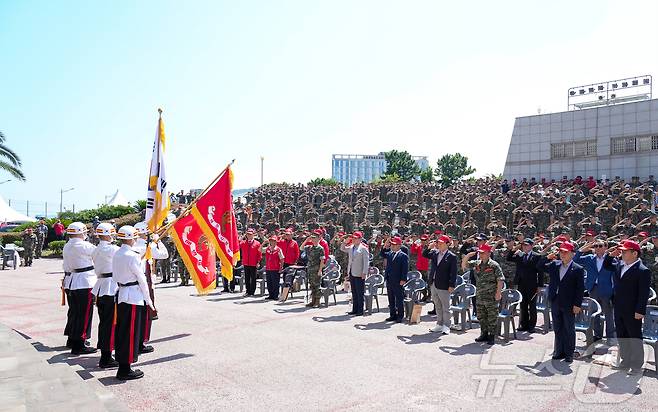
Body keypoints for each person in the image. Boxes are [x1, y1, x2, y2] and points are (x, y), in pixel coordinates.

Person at [112, 225, 156, 380]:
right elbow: (142, 279)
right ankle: (125, 369)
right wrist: (149, 300)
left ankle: (123, 365)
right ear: (131, 238)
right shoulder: (132, 256)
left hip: (122, 293)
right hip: (133, 297)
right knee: (130, 334)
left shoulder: (118, 253)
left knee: (123, 332)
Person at [603, 240, 651, 375]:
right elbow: (607, 265)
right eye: (622, 251)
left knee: (634, 336)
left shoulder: (642, 270)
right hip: (618, 307)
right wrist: (611, 254)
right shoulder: (620, 265)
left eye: (625, 251)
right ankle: (625, 361)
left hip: (633, 309)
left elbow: (643, 293)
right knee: (622, 336)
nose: (622, 253)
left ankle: (636, 365)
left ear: (634, 253)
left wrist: (640, 310)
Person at [543, 241, 584, 363]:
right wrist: (547, 257)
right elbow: (539, 265)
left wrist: (577, 304)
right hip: (556, 301)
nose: (563, 254)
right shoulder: (555, 265)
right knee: (558, 327)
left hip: (569, 303)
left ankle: (569, 353)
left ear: (572, 253)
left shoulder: (577, 269)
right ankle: (559, 351)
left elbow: (580, 289)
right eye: (561, 251)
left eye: (565, 252)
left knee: (569, 328)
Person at [62, 222, 97, 355]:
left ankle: (72, 338)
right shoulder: (85, 245)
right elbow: (101, 254)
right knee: (84, 314)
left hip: (70, 281)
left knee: (74, 312)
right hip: (84, 282)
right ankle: (80, 343)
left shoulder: (67, 245)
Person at [133, 222, 169, 353]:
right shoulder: (147, 246)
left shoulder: (133, 246)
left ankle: (137, 341)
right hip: (145, 284)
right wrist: (157, 240)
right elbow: (164, 254)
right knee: (146, 314)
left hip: (135, 285)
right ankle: (141, 341)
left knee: (138, 314)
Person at [574, 240, 616, 343]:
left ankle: (610, 336)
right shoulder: (589, 258)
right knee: (594, 313)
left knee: (608, 314)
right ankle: (597, 335)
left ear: (606, 247)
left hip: (606, 290)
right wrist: (582, 249)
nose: (597, 248)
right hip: (593, 288)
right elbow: (575, 260)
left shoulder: (610, 259)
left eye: (600, 246)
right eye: (595, 246)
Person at [462, 244, 504, 345]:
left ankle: (491, 336)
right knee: (481, 316)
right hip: (480, 295)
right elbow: (464, 266)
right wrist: (468, 256)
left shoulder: (494, 265)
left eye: (483, 253)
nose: (481, 255)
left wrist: (498, 293)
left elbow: (500, 280)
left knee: (492, 316)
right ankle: (484, 334)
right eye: (480, 253)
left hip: (491, 295)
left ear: (489, 253)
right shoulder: (477, 263)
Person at [91, 223, 119, 368]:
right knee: (110, 324)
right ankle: (106, 357)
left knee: (104, 323)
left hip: (101, 287)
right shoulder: (113, 249)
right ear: (108, 234)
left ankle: (105, 354)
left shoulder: (96, 250)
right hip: (110, 287)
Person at [506, 238, 544, 333]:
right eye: (523, 245)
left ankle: (531, 326)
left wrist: (540, 285)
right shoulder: (520, 255)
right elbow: (509, 258)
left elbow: (540, 272)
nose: (524, 247)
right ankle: (524, 324)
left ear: (531, 246)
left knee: (532, 306)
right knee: (523, 305)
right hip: (521, 283)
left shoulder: (537, 256)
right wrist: (514, 249)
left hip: (532, 284)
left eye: (527, 245)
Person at [423, 235, 457, 334]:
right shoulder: (435, 253)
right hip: (433, 283)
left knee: (446, 307)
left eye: (441, 243)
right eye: (438, 243)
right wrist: (429, 247)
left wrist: (452, 285)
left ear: (447, 244)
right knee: (437, 305)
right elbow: (425, 254)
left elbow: (453, 272)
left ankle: (447, 325)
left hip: (444, 284)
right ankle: (439, 324)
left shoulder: (451, 256)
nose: (439, 244)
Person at [340, 232, 370, 316]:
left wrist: (364, 272)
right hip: (352, 272)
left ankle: (360, 310)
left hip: (359, 273)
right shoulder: (351, 247)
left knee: (360, 293)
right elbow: (342, 248)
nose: (354, 239)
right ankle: (354, 309)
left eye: (356, 238)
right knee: (354, 292)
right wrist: (345, 241)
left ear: (360, 239)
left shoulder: (363, 248)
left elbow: (366, 262)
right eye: (353, 238)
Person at [380, 236, 408, 322]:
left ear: (399, 245)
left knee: (399, 299)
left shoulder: (403, 255)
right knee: (391, 298)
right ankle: (393, 314)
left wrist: (403, 279)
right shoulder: (390, 253)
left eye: (394, 245)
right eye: (392, 244)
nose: (392, 246)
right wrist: (385, 245)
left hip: (398, 280)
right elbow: (382, 254)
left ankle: (400, 316)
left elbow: (405, 268)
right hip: (390, 279)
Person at [304, 232, 326, 308]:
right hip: (310, 270)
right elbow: (301, 248)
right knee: (312, 286)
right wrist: (306, 240)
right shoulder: (310, 247)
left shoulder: (320, 248)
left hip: (316, 270)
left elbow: (322, 260)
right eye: (312, 238)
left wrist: (320, 270)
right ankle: (313, 301)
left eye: (314, 238)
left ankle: (317, 301)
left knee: (317, 286)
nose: (312, 240)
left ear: (318, 239)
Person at [239, 229, 262, 297]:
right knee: (247, 278)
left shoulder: (257, 243)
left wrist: (258, 262)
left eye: (250, 234)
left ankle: (252, 291)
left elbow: (259, 254)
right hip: (246, 263)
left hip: (253, 263)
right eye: (248, 234)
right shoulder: (243, 243)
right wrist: (241, 237)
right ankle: (247, 291)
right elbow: (237, 244)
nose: (249, 236)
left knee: (253, 278)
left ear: (253, 235)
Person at [264, 235, 284, 300]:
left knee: (275, 283)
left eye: (273, 241)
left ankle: (275, 295)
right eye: (271, 241)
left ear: (276, 242)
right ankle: (270, 295)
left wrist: (281, 268)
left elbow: (282, 259)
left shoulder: (278, 249)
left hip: (275, 268)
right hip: (268, 268)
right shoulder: (267, 248)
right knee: (269, 282)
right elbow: (259, 250)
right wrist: (263, 243)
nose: (272, 242)